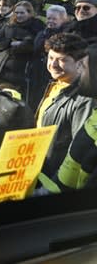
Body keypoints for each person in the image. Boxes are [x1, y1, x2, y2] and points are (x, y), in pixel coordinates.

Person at [34, 33, 96, 192]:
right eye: (50, 58)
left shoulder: (85, 99)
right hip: (41, 171)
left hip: (56, 182)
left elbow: (78, 152)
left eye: (61, 60)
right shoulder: (56, 84)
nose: (53, 64)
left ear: (80, 64)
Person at [0, 1, 44, 96]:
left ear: (29, 13)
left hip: (23, 72)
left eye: (22, 13)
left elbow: (39, 46)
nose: (18, 15)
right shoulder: (9, 25)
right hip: (2, 68)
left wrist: (24, 44)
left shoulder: (37, 26)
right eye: (16, 12)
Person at [29, 5, 70, 109]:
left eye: (54, 19)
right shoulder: (42, 32)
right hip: (39, 73)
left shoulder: (68, 34)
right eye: (49, 18)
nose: (50, 21)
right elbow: (37, 48)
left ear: (63, 19)